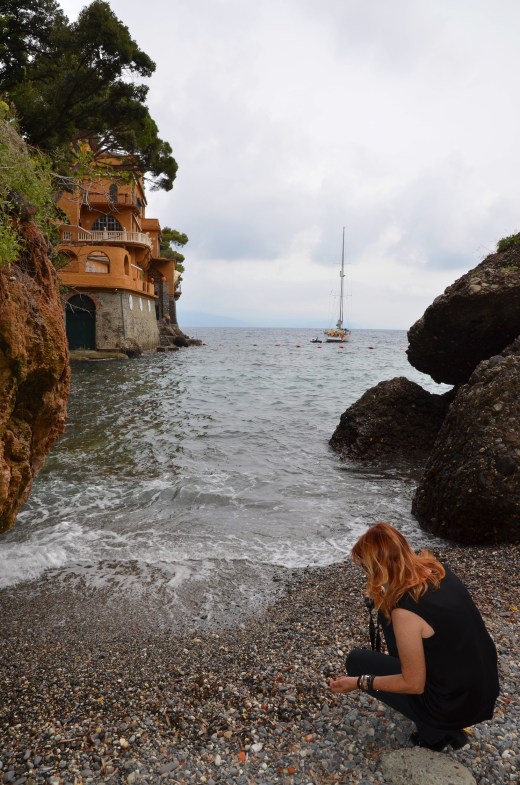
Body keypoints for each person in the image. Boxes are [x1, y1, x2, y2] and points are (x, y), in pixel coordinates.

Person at [329, 522, 499, 751]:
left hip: (453, 706)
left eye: (367, 569)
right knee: (386, 615)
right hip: (482, 689)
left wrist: (359, 682)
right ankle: (440, 718)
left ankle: (437, 732)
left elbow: (414, 684)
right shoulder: (437, 570)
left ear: (378, 569)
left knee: (356, 662)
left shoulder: (405, 614)